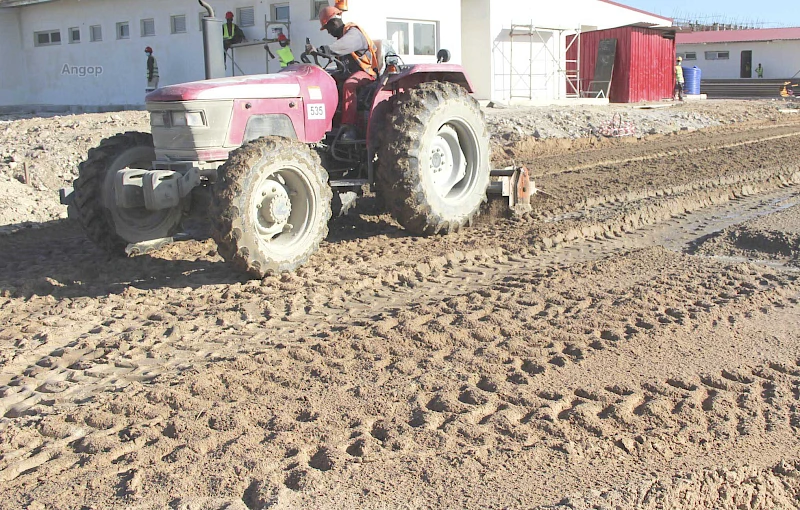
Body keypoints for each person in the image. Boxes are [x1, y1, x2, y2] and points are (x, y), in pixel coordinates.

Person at [307, 6, 379, 134]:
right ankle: (331, 120)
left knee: (349, 85)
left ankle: (348, 126)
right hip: (350, 72)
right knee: (328, 81)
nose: (328, 32)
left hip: (367, 73)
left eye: (328, 28)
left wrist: (321, 50)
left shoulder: (353, 33)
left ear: (334, 23)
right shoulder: (342, 37)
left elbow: (343, 46)